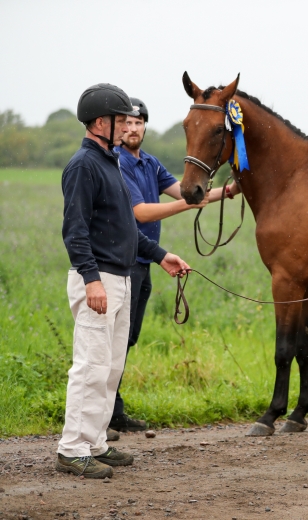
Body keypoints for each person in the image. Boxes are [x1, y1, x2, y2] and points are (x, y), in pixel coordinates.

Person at [57, 83, 190, 479]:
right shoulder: (83, 165)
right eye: (119, 119)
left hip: (122, 276)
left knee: (111, 367)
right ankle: (71, 449)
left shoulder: (110, 160)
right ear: (101, 122)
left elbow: (126, 227)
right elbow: (75, 230)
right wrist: (91, 280)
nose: (126, 126)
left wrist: (160, 255)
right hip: (99, 280)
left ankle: (95, 442)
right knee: (91, 366)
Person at [109, 97, 239, 435]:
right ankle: (104, 416)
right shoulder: (118, 164)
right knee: (113, 341)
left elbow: (185, 191)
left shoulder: (149, 163)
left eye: (138, 123)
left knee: (127, 339)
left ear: (144, 127)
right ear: (118, 127)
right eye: (127, 123)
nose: (132, 129)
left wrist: (226, 191)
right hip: (123, 263)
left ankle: (112, 412)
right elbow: (142, 212)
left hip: (144, 262)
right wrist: (186, 204)